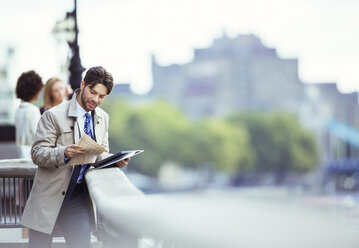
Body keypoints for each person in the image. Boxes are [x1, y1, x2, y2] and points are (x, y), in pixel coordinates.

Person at [21, 66, 130, 248]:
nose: (95, 100)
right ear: (82, 85)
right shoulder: (52, 116)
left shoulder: (103, 118)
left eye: (101, 96)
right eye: (93, 92)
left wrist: (114, 159)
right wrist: (63, 153)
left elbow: (100, 152)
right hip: (48, 195)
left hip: (78, 199)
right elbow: (37, 153)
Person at [14, 70, 43, 158]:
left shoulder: (18, 110)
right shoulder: (33, 110)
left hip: (20, 154)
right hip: (32, 156)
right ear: (35, 90)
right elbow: (39, 136)